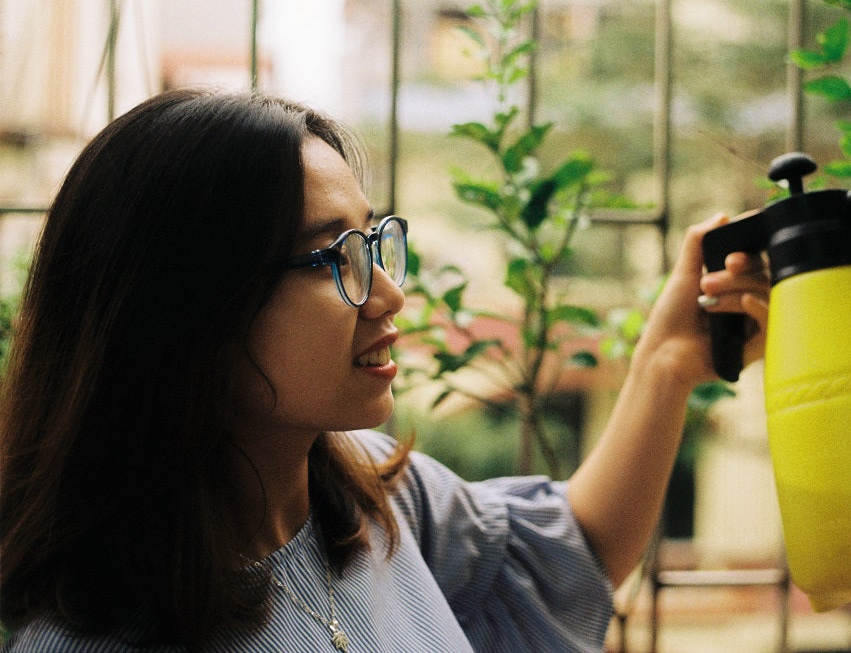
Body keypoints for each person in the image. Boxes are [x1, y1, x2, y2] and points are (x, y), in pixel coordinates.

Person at [0, 88, 768, 652]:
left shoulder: (371, 495)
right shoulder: (91, 636)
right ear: (191, 308)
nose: (389, 293)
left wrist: (668, 362)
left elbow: (570, 554)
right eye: (337, 257)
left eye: (373, 243)